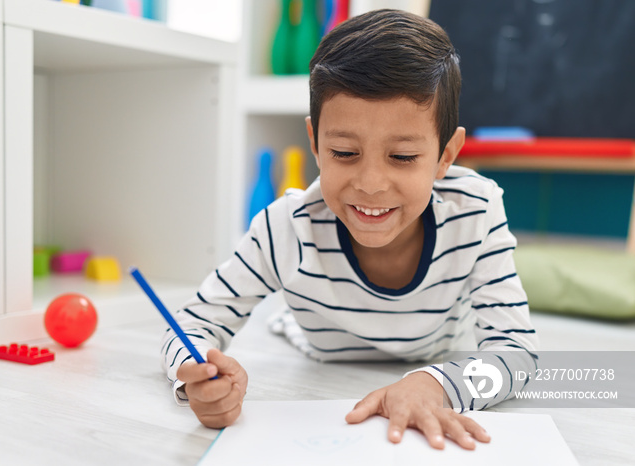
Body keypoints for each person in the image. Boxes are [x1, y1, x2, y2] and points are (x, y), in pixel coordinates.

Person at [162, 8, 538, 450]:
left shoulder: (475, 210)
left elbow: (518, 353)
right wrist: (197, 377)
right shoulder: (285, 228)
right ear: (315, 143)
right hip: (318, 350)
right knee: (283, 322)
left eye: (402, 157)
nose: (370, 184)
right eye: (343, 152)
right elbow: (191, 324)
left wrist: (435, 385)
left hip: (435, 353)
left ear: (445, 155)